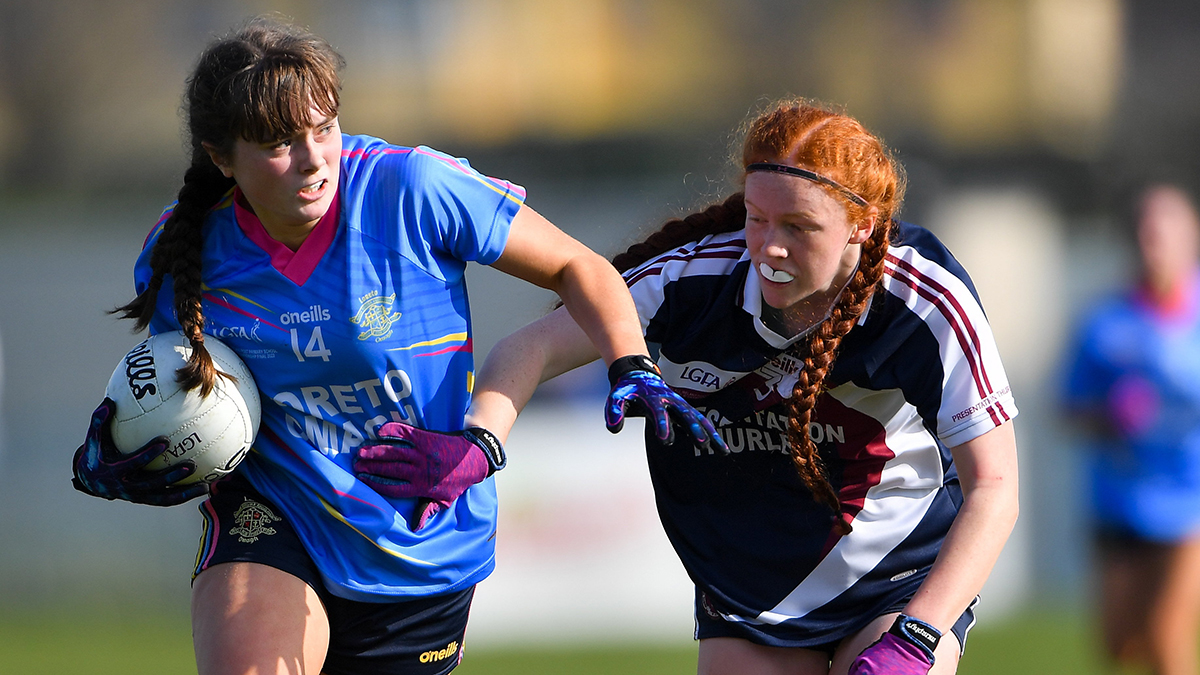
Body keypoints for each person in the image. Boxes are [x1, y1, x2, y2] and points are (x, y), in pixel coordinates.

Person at [68, 16, 716, 675]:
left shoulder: (412, 189)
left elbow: (580, 269)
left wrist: (623, 366)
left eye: (324, 128)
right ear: (220, 155)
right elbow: (178, 395)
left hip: (418, 538)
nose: (314, 157)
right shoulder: (185, 249)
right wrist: (133, 443)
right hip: (275, 512)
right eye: (279, 142)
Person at [462, 99, 1020, 675]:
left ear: (863, 222)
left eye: (800, 226)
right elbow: (528, 348)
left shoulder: (924, 303)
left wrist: (919, 636)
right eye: (757, 218)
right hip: (747, 587)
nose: (770, 248)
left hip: (898, 579)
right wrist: (481, 440)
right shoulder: (691, 283)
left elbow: (995, 486)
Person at [1063, 182, 1200, 675]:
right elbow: (1069, 410)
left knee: (1166, 631)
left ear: (1192, 238)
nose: (1153, 244)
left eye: (1165, 232)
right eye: (1144, 233)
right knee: (1120, 644)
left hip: (1190, 502)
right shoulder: (1105, 323)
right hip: (1121, 500)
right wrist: (1110, 415)